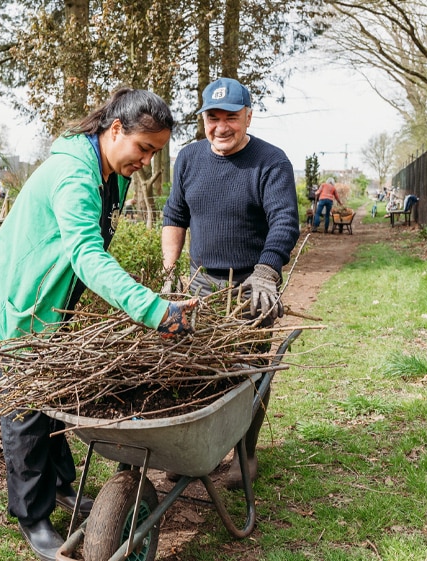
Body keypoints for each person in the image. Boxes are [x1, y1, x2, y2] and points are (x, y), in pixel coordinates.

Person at [0, 88, 199, 561]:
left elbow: (85, 254)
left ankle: (58, 487)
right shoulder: (73, 175)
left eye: (155, 152)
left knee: (54, 392)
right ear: (115, 130)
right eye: (144, 148)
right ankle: (32, 516)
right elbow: (86, 255)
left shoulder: (109, 172)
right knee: (27, 406)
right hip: (11, 296)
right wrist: (153, 309)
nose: (148, 162)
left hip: (46, 300)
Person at [161, 77, 300, 490]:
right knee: (191, 367)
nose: (221, 127)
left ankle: (245, 454)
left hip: (251, 284)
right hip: (201, 284)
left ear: (248, 117)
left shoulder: (271, 162)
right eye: (213, 117)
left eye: (231, 118)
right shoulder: (188, 159)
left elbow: (284, 222)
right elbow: (174, 216)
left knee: (250, 371)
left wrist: (266, 271)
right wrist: (171, 275)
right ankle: (194, 451)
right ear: (203, 119)